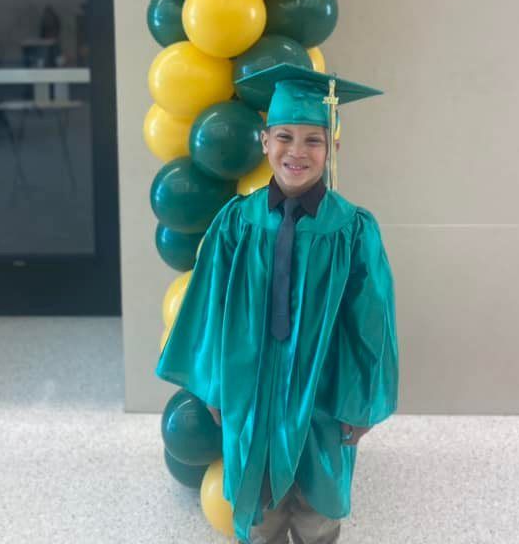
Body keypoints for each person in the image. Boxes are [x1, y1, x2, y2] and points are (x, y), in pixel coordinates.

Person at [156, 63, 398, 543]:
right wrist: (215, 386)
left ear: (332, 147)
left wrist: (362, 401)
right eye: (284, 136)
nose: (297, 151)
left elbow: (371, 321)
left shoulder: (352, 229)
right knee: (258, 504)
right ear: (264, 142)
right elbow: (209, 308)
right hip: (251, 390)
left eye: (313, 139)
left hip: (322, 393)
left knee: (317, 507)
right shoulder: (236, 223)